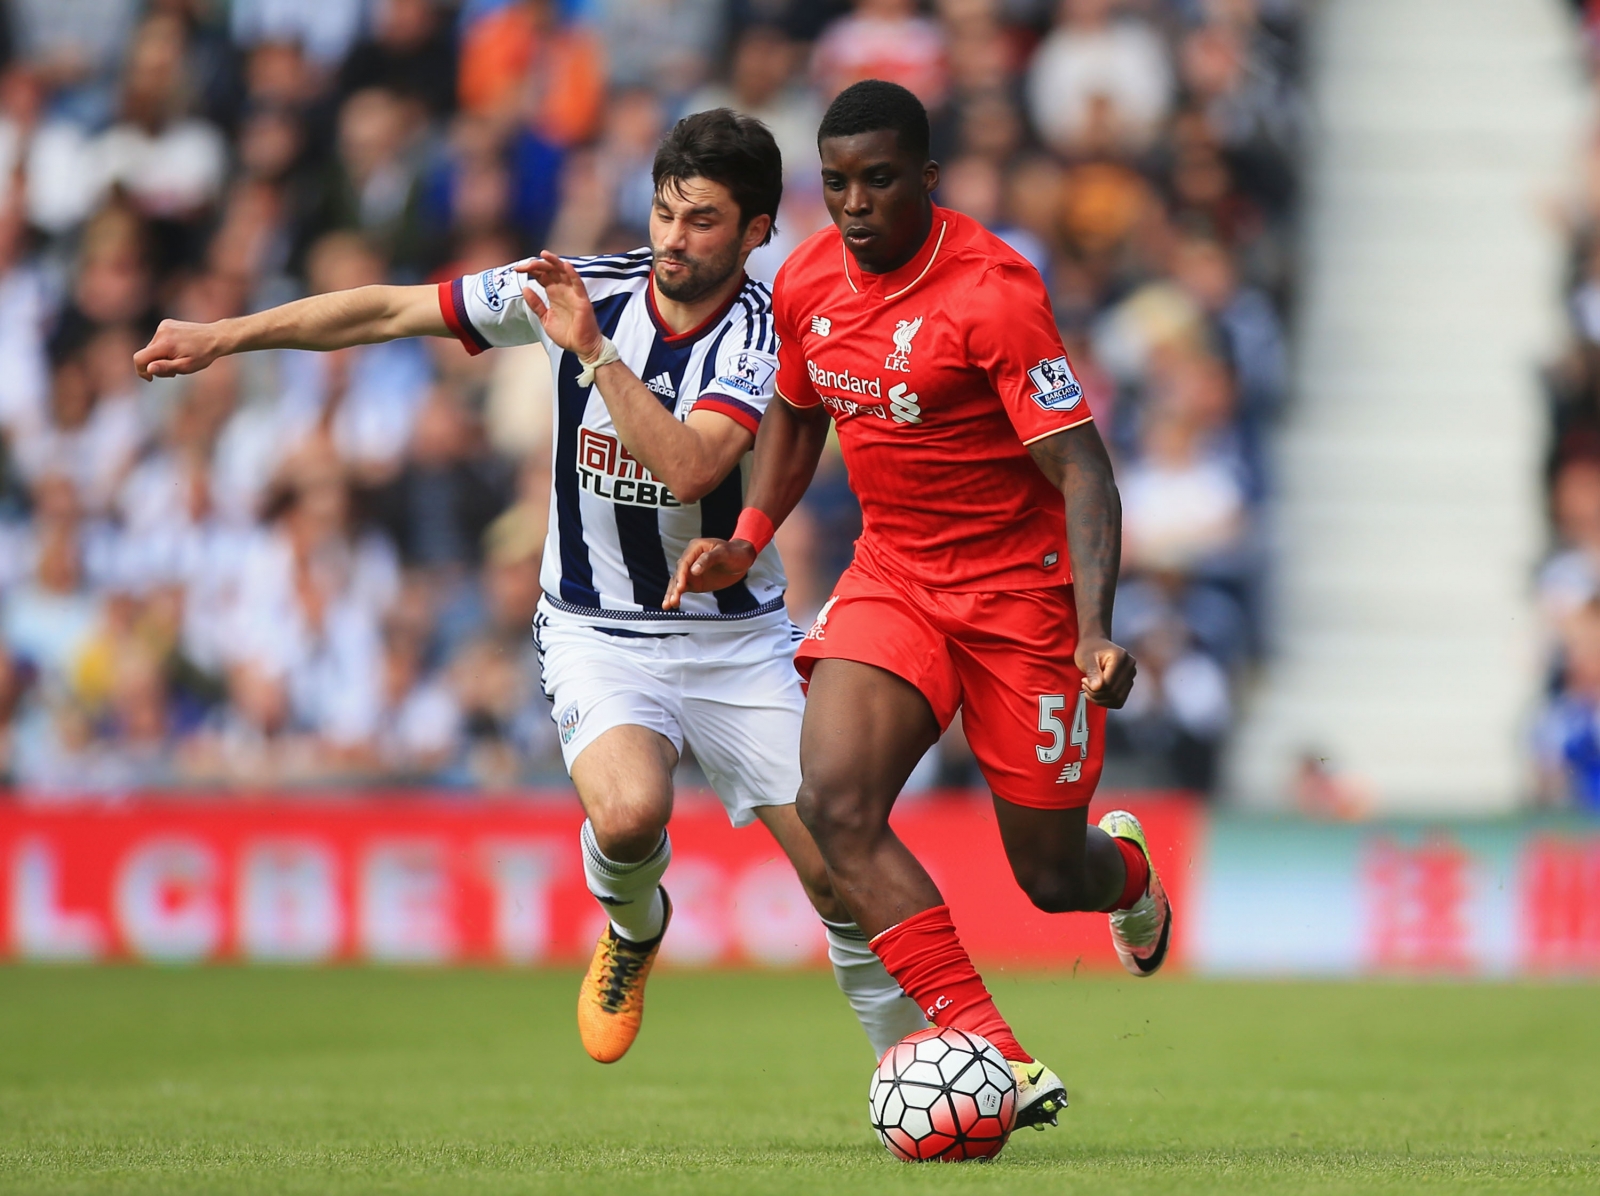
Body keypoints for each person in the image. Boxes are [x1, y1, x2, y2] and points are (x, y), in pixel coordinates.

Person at [132, 108, 926, 1065]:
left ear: (757, 230)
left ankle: (906, 1065)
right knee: (630, 815)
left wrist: (593, 352)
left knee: (840, 879)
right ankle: (635, 927)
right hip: (597, 626)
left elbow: (689, 469)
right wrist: (225, 334)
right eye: (666, 213)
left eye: (704, 220)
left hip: (732, 637)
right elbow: (389, 308)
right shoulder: (580, 287)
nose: (674, 238)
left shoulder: (765, 333)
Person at [667, 80, 1172, 1130]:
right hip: (896, 572)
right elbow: (797, 417)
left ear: (927, 180)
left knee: (1045, 872)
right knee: (834, 803)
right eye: (837, 182)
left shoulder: (993, 291)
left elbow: (1083, 470)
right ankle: (987, 1043)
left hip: (1021, 598)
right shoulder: (804, 280)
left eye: (880, 180)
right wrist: (748, 539)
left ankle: (1122, 876)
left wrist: (1093, 630)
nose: (855, 204)